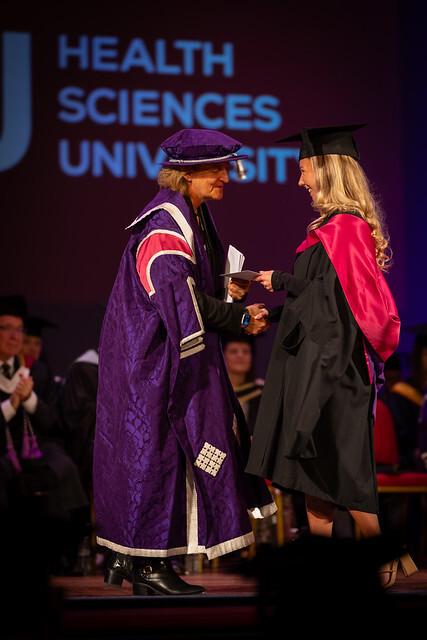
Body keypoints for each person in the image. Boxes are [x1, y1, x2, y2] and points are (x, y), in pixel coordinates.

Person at [93, 128, 276, 596]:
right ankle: (150, 565)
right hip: (154, 370)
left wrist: (229, 296)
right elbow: (181, 303)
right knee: (157, 461)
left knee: (162, 459)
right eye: (217, 170)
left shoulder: (190, 219)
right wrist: (237, 318)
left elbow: (191, 296)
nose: (226, 178)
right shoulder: (164, 229)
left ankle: (136, 561)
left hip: (161, 364)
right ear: (188, 174)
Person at [246, 124, 417, 587]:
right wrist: (272, 313)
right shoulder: (327, 229)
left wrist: (280, 280)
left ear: (327, 170)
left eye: (304, 170)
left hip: (335, 369)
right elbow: (316, 298)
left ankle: (391, 555)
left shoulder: (348, 229)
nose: (300, 181)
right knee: (313, 473)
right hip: (314, 362)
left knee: (342, 467)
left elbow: (337, 304)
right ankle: (320, 573)